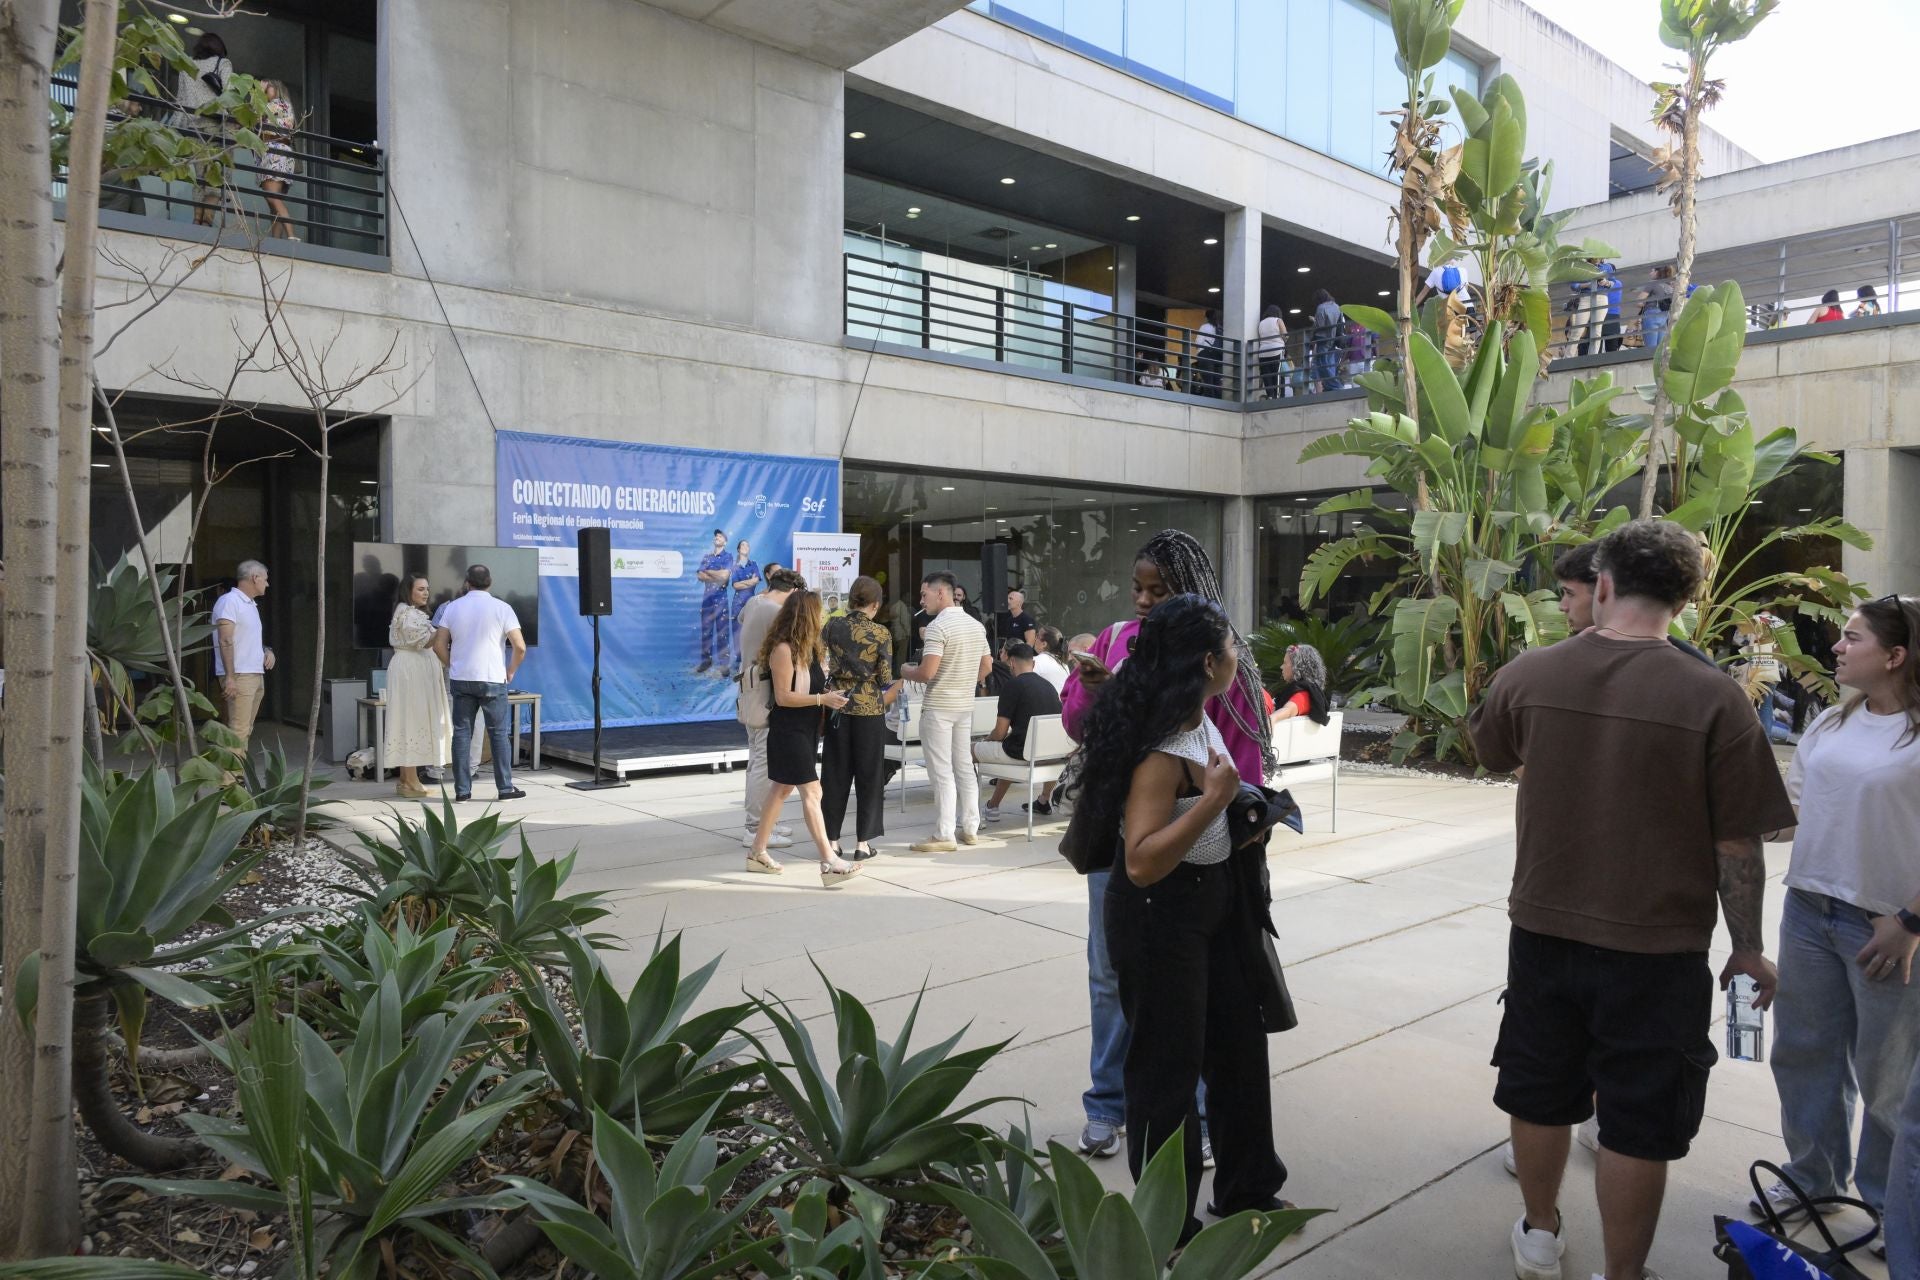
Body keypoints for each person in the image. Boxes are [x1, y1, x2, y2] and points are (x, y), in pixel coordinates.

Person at [1467, 519, 1793, 1280]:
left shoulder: (1532, 673)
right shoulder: (1717, 698)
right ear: (1686, 598)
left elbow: (1488, 749)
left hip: (1544, 929)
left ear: (1603, 585)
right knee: (1640, 1121)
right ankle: (1623, 1274)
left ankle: (1541, 1233)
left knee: (1541, 1090)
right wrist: (1746, 945)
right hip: (1661, 949)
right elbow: (1738, 847)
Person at [1076, 593, 1290, 1244]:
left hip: (1213, 899)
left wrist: (1238, 822)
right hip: (1158, 912)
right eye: (1231, 648)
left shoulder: (1193, 713)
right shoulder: (1162, 747)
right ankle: (1167, 1226)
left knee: (1237, 1050)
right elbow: (1139, 862)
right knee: (1167, 1072)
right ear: (1207, 661)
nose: (1238, 657)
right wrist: (1213, 804)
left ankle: (1249, 1190)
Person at [1061, 529, 1274, 1159]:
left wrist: (1239, 810)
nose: (1145, 600)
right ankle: (1108, 1102)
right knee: (1111, 977)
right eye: (1138, 588)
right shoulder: (1118, 641)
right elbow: (1083, 726)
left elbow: (1239, 756)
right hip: (1131, 840)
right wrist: (1097, 688)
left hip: (1201, 854)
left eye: (1160, 589)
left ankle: (1200, 1117)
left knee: (1200, 998)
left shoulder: (1217, 652)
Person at [1753, 594, 1920, 1240]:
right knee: (1803, 1053)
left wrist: (1909, 922)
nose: (1838, 648)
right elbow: (1791, 814)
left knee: (1889, 1079)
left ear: (1896, 655)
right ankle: (1811, 1180)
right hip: (1809, 912)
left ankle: (1886, 1205)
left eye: (1853, 639)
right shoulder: (1831, 721)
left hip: (1886, 928)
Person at [745, 590, 862, 886]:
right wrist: (823, 700)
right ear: (807, 616)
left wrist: (828, 695)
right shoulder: (783, 650)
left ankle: (757, 852)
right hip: (788, 731)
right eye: (818, 613)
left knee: (781, 790)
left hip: (806, 730)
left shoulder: (808, 650)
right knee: (812, 792)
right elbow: (784, 698)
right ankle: (828, 861)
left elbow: (812, 689)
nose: (822, 617)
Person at [901, 571, 991, 853]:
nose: (921, 600)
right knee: (964, 766)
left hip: (939, 706)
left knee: (941, 771)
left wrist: (906, 670)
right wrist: (964, 680)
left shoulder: (938, 627)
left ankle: (944, 833)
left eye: (924, 594)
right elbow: (987, 666)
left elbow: (927, 672)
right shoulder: (976, 625)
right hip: (964, 705)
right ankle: (970, 827)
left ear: (941, 593)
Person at [432, 564, 527, 803]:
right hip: (493, 679)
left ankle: (462, 791)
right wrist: (511, 670)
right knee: (498, 734)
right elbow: (520, 646)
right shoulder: (502, 608)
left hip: (462, 678)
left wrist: (452, 664)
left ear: (467, 583)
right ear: (490, 582)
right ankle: (505, 788)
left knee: (461, 734)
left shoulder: (452, 608)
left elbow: (438, 644)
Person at [821, 576, 898, 861]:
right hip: (869, 708)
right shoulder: (881, 633)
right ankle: (863, 843)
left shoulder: (832, 626)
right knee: (869, 775)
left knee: (835, 775)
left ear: (852, 600)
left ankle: (831, 840)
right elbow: (887, 678)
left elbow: (822, 660)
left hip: (838, 705)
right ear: (875, 604)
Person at [737, 566, 802, 849]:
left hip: (749, 687)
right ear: (794, 592)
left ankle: (764, 822)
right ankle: (755, 828)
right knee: (763, 761)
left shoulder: (754, 602)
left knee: (756, 759)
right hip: (763, 690)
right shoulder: (777, 613)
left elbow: (741, 617)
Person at [975, 643, 1064, 823]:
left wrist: (986, 739)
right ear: (1033, 663)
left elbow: (999, 732)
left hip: (1023, 753)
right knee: (1010, 746)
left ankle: (970, 812)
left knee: (969, 751)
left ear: (1012, 662)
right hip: (1052, 754)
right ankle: (1040, 800)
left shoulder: (1012, 686)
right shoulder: (1049, 686)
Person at [385, 573, 451, 797]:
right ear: (408, 590)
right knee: (411, 719)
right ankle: (410, 780)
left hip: (411, 669)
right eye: (421, 589)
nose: (426, 593)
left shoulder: (407, 611)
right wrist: (445, 625)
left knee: (408, 719)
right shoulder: (408, 613)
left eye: (427, 589)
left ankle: (407, 780)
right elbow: (426, 639)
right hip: (411, 671)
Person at [212, 559, 275, 759]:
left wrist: (267, 650)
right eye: (265, 579)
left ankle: (236, 778)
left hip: (253, 673)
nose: (267, 584)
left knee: (244, 730)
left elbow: (245, 638)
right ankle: (229, 784)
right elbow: (225, 639)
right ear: (254, 578)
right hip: (240, 675)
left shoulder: (250, 605)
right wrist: (230, 677)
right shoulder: (230, 601)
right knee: (238, 732)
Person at [172, 32, 233, 226]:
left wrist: (175, 129)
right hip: (216, 126)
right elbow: (229, 95)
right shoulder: (223, 63)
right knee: (216, 178)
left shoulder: (186, 67)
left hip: (192, 129)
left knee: (199, 179)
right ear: (219, 49)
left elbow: (180, 101)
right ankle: (207, 222)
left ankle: (196, 220)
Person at [258, 80, 298, 240]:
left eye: (269, 87)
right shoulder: (286, 107)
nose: (266, 89)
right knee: (274, 203)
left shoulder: (276, 105)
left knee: (272, 197)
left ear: (277, 90)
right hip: (283, 154)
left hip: (274, 153)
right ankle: (277, 240)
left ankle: (291, 235)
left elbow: (254, 118)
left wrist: (259, 94)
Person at [693, 529, 733, 674]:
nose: (717, 537)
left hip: (721, 598)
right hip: (707, 599)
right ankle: (706, 661)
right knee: (706, 631)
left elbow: (724, 576)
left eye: (720, 536)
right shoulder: (707, 557)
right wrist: (717, 576)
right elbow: (700, 575)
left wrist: (708, 571)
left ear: (725, 542)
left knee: (722, 631)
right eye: (716, 536)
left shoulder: (728, 556)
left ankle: (724, 664)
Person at [1268, 643, 1328, 725]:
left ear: (1297, 667)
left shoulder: (1303, 694)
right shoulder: (1301, 690)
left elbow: (1289, 710)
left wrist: (1272, 718)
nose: (1281, 667)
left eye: (1285, 663)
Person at [727, 539, 761, 675]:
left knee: (751, 631)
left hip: (751, 602)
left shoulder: (754, 565)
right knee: (737, 632)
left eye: (747, 545)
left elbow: (756, 581)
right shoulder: (734, 566)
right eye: (742, 545)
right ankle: (738, 661)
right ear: (738, 549)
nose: (745, 547)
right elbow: (735, 585)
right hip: (738, 603)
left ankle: (749, 661)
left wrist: (744, 582)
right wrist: (750, 581)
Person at [1310, 289, 1343, 393]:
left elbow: (1319, 325)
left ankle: (1336, 387)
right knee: (1330, 365)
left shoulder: (1321, 308)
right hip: (1334, 339)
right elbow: (1340, 324)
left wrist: (1312, 337)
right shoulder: (1337, 307)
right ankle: (1330, 388)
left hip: (1322, 339)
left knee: (1322, 365)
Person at [1638, 266, 1675, 350]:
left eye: (1652, 271)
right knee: (1660, 350)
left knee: (1650, 349)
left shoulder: (1652, 283)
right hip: (1664, 317)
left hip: (1651, 315)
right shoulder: (1670, 286)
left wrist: (1646, 303)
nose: (1650, 273)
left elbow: (1638, 302)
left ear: (1657, 272)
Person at [1255, 304, 1288, 400]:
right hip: (1276, 351)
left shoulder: (1261, 323)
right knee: (1277, 374)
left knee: (1267, 375)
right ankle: (1278, 397)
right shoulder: (1278, 320)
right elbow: (1285, 335)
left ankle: (1270, 395)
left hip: (1263, 352)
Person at [1031, 625, 1070, 694]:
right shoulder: (1064, 664)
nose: (1034, 639)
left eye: (1037, 636)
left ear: (1044, 644)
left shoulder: (1037, 660)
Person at [1196, 309, 1222, 397]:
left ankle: (1209, 399)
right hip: (1218, 356)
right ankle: (1218, 402)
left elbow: (1198, 342)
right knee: (1217, 382)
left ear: (1206, 317)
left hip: (1206, 354)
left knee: (1208, 382)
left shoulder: (1205, 327)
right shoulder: (1220, 328)